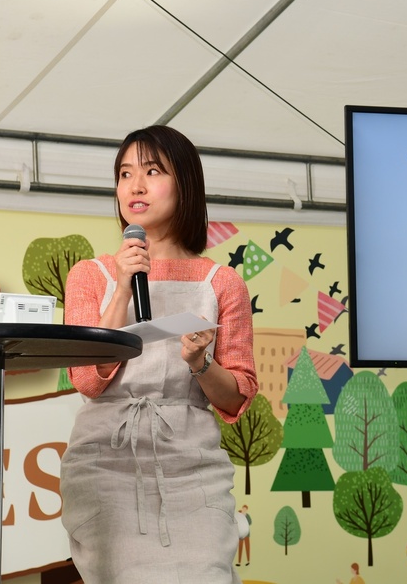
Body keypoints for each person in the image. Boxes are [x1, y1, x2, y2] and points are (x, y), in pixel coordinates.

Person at [59, 125, 258, 584]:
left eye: (152, 171)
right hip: (105, 464)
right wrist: (123, 286)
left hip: (192, 466)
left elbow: (235, 399)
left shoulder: (221, 282)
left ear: (185, 183)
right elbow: (87, 379)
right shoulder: (89, 275)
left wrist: (201, 364)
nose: (135, 185)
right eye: (125, 173)